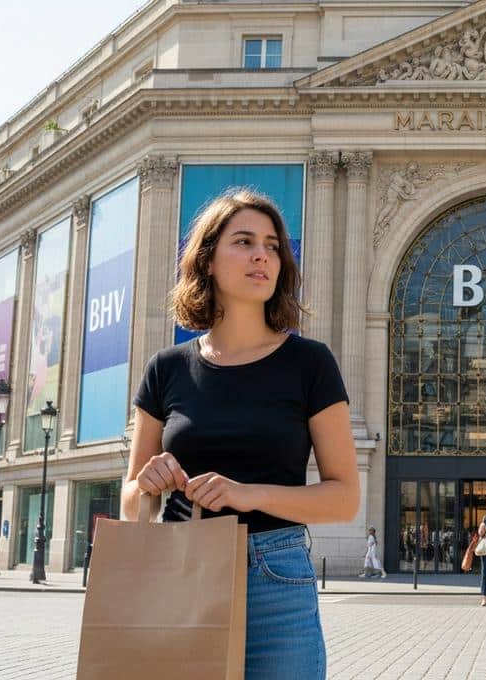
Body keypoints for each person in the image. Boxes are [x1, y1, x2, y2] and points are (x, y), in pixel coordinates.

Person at [121, 189, 360, 679]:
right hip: (181, 569)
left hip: (276, 577)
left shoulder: (310, 363)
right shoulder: (166, 368)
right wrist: (149, 482)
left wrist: (246, 493)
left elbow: (343, 498)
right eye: (245, 241)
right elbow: (130, 500)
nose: (262, 255)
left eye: (273, 246)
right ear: (207, 260)